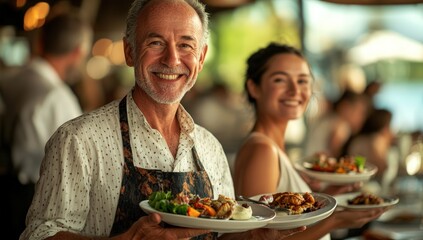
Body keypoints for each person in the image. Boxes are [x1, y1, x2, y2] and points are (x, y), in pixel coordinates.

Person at [20, 1, 305, 239]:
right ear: (130, 51)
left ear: (202, 57)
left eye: (185, 45)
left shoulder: (210, 147)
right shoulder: (79, 139)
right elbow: (40, 234)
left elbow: (226, 232)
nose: (171, 59)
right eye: (156, 42)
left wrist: (255, 235)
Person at [233, 42, 387, 240]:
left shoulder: (273, 147)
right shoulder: (263, 150)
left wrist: (326, 195)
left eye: (303, 81)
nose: (294, 90)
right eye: (280, 80)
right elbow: (257, 237)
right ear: (254, 88)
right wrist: (336, 220)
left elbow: (283, 221)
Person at [0, 13, 92, 239]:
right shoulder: (57, 97)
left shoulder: (7, 79)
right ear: (78, 52)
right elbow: (81, 162)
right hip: (30, 203)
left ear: (41, 42)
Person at [304, 90, 369, 159]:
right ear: (345, 106)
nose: (361, 118)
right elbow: (334, 156)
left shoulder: (328, 119)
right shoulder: (342, 126)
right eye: (359, 112)